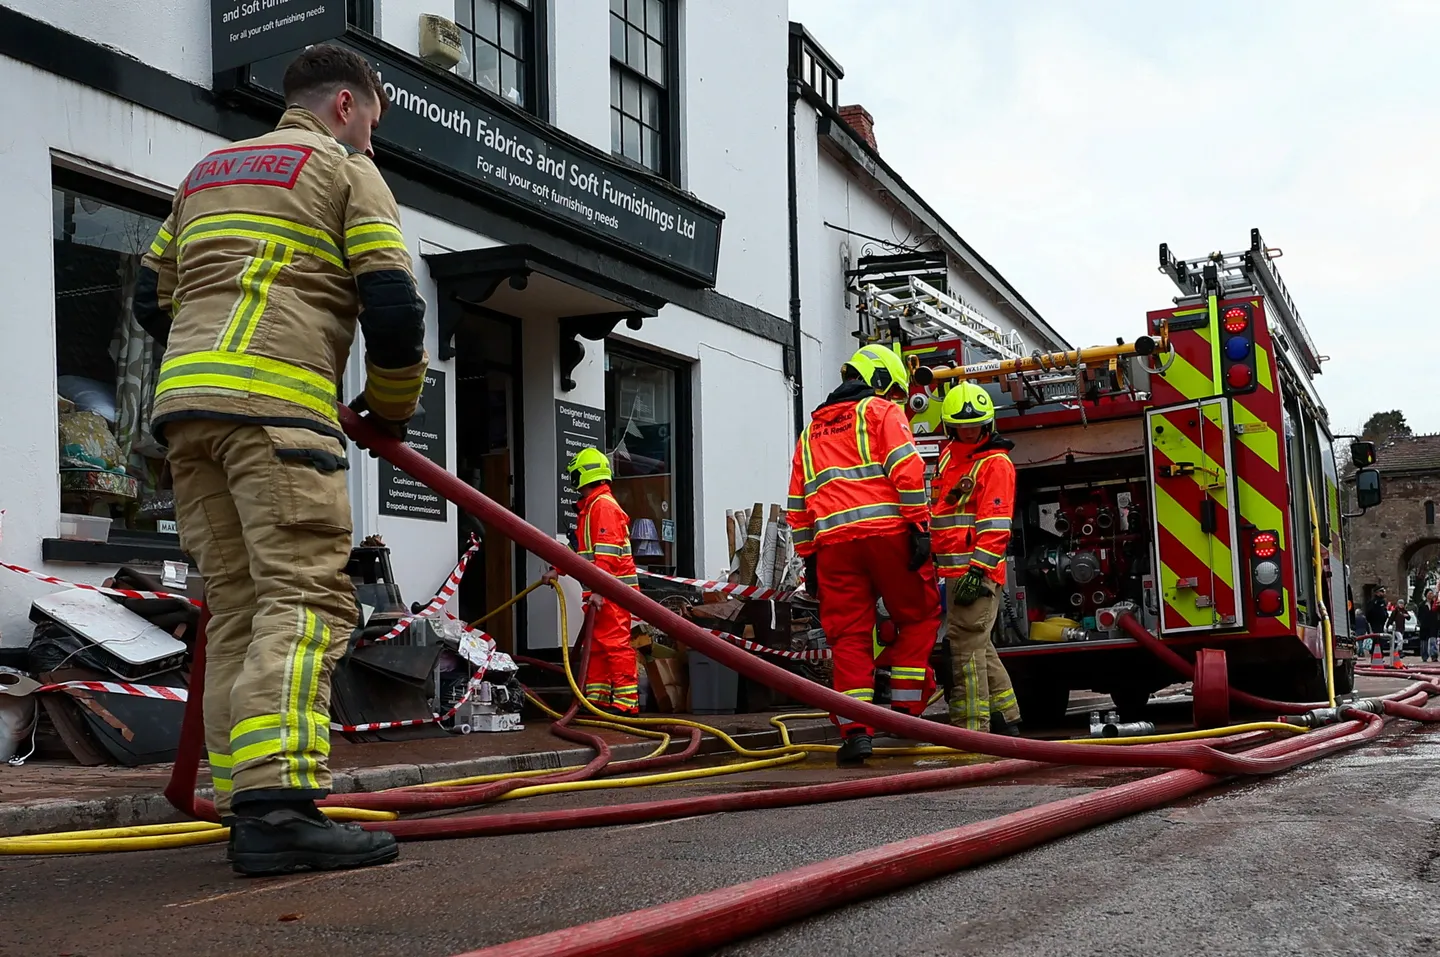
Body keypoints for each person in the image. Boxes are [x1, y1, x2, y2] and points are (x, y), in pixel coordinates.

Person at [132, 45, 427, 875]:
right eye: (372, 121)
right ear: (345, 106)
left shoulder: (204, 175)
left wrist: (212, 362)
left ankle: (245, 801)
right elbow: (393, 307)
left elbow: (149, 298)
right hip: (278, 417)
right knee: (304, 599)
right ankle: (281, 808)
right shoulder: (345, 170)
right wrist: (389, 410)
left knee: (236, 604)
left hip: (188, 417)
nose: (372, 138)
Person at [786, 345, 940, 765]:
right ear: (880, 381)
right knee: (919, 616)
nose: (894, 399)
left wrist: (809, 557)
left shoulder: (810, 433)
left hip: (833, 547)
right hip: (889, 535)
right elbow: (908, 470)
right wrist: (919, 527)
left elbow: (797, 503)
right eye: (893, 391)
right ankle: (905, 714)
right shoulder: (880, 412)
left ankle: (855, 732)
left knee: (849, 637)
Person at [929, 383, 1022, 735]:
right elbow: (943, 511)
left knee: (965, 649)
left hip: (975, 572)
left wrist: (978, 570)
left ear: (988, 424)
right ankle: (1007, 718)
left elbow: (995, 526)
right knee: (978, 645)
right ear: (949, 426)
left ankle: (971, 727)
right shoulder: (949, 457)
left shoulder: (995, 464)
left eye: (976, 425)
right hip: (954, 570)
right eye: (962, 426)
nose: (969, 431)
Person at [545, 447, 642, 716]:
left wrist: (600, 589)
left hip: (613, 593)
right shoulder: (591, 508)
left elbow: (608, 554)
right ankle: (597, 700)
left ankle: (626, 703)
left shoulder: (603, 507)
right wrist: (556, 570)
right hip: (603, 592)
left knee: (614, 645)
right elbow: (580, 551)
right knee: (597, 647)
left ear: (582, 475)